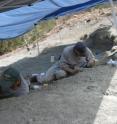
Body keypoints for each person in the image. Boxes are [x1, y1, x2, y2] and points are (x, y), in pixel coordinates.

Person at [30, 42, 96, 84]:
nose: (84, 55)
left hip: (78, 65)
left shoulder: (85, 50)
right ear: (76, 51)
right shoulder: (67, 51)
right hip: (63, 66)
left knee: (61, 75)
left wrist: (90, 62)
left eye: (84, 54)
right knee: (46, 80)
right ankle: (36, 76)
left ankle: (49, 75)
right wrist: (72, 71)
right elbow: (62, 65)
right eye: (82, 54)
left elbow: (91, 58)